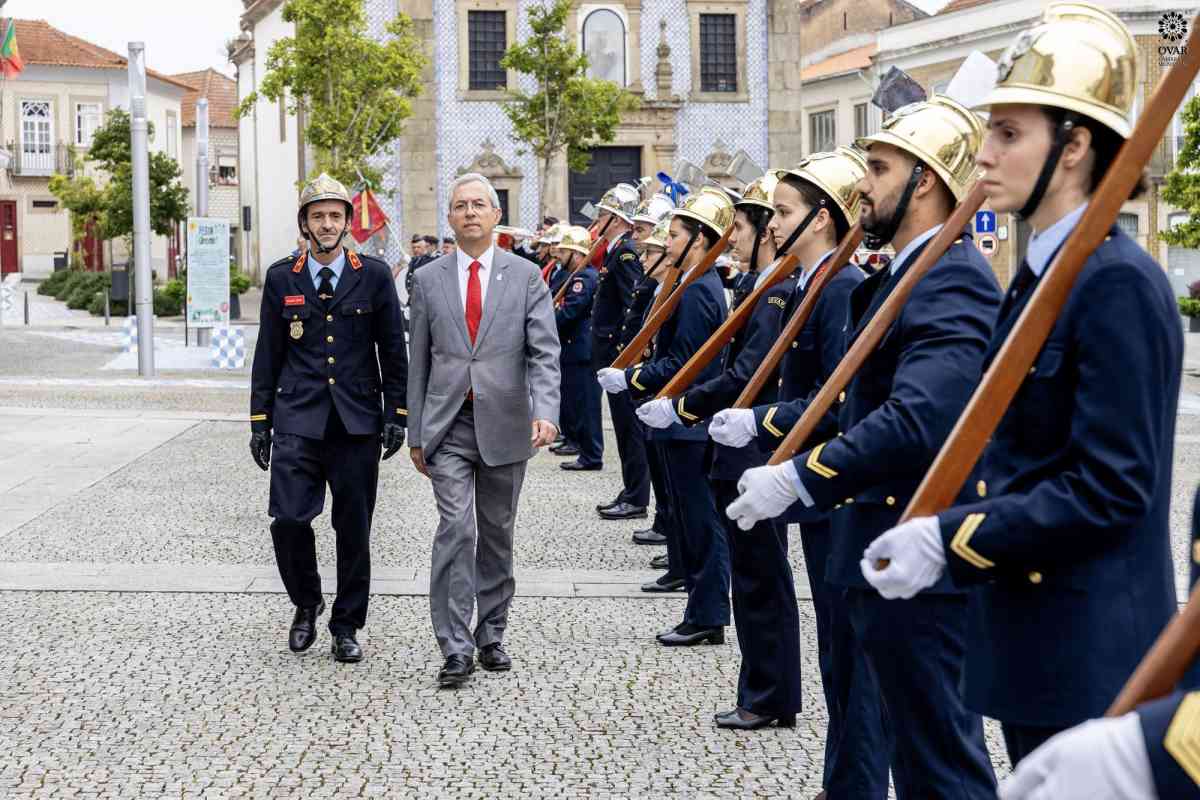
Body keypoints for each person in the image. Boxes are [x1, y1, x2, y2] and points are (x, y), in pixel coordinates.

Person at [863, 0, 1183, 772]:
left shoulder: (1115, 284)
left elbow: (1110, 488)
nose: (984, 156)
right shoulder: (1037, 277)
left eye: (1009, 135)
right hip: (1032, 633)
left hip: (1093, 644)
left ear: (1073, 148)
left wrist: (951, 540)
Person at [726, 96, 1001, 799]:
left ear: (928, 181)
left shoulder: (954, 276)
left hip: (912, 546)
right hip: (870, 540)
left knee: (940, 764)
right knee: (904, 749)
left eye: (878, 169)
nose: (863, 186)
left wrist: (801, 476)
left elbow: (916, 420)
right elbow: (857, 405)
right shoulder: (897, 278)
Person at [710, 150, 889, 793]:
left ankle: (856, 784)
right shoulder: (813, 282)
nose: (774, 225)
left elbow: (836, 401)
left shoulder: (838, 287)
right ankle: (843, 782)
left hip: (834, 488)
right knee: (838, 653)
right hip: (817, 489)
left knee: (852, 658)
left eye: (784, 212)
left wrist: (761, 424)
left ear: (823, 218)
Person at [638, 172, 804, 728]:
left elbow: (747, 372)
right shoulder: (762, 285)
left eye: (744, 225)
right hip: (736, 440)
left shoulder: (779, 289)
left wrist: (684, 407)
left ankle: (770, 694)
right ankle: (763, 691)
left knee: (763, 579)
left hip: (756, 444)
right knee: (754, 578)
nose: (735, 236)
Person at [407, 172, 561, 688]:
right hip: (447, 424)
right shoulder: (428, 279)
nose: (470, 212)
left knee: (497, 532)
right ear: (449, 218)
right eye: (460, 205)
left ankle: (491, 632)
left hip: (507, 422)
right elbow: (419, 362)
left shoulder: (526, 276)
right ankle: (454, 646)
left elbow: (544, 351)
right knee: (458, 528)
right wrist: (415, 432)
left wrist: (547, 410)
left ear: (496, 216)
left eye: (480, 204)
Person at [249, 173, 408, 664]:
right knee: (289, 520)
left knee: (353, 526)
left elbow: (392, 351)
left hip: (356, 422)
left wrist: (396, 413)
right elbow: (267, 354)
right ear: (305, 223)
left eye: (335, 215)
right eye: (317, 216)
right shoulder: (282, 277)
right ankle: (306, 600)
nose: (327, 224)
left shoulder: (375, 274)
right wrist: (260, 421)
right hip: (298, 417)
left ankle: (346, 624)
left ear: (347, 222)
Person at [599, 188, 733, 645]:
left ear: (699, 239)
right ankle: (699, 608)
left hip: (688, 422)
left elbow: (683, 362)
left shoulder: (697, 291)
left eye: (675, 236)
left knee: (701, 524)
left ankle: (708, 613)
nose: (667, 244)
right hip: (677, 420)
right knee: (689, 520)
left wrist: (632, 379)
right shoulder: (691, 283)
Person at [590, 184, 651, 521]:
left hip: (619, 354)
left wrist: (623, 352)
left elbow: (632, 305)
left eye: (602, 214)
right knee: (624, 429)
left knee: (630, 430)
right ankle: (631, 489)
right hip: (610, 352)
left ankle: (637, 496)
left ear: (615, 218)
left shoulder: (625, 253)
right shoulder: (616, 251)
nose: (597, 219)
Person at [624, 194, 679, 553]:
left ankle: (673, 538)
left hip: (665, 390)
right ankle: (668, 531)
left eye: (652, 250)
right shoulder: (657, 287)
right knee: (661, 473)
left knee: (673, 482)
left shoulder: (680, 290)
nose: (644, 257)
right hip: (649, 380)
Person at [554, 225, 603, 472]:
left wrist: (547, 322)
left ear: (577, 254)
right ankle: (585, 450)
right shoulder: (576, 277)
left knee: (586, 406)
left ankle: (591, 454)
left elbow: (569, 312)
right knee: (575, 403)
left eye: (564, 252)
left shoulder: (584, 278)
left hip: (580, 350)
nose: (559, 256)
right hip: (573, 349)